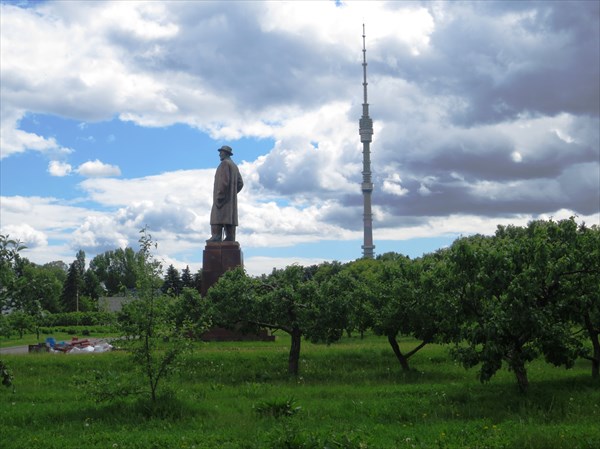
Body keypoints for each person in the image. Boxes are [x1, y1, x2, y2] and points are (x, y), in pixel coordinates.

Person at [207, 145, 244, 242]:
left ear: (226, 153)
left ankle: (216, 236)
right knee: (229, 219)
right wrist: (231, 194)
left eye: (221, 152)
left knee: (216, 218)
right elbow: (240, 183)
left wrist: (220, 195)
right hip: (229, 201)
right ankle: (230, 237)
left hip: (221, 198)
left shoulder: (224, 164)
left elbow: (224, 182)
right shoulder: (234, 166)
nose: (219, 154)